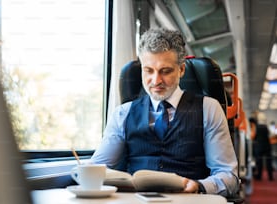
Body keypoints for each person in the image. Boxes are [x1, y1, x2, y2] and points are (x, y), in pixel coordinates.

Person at [91, 28, 239, 197]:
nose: (156, 81)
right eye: (148, 70)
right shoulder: (122, 114)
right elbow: (98, 169)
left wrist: (199, 185)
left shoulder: (209, 109)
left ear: (181, 70)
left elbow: (229, 176)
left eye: (165, 71)